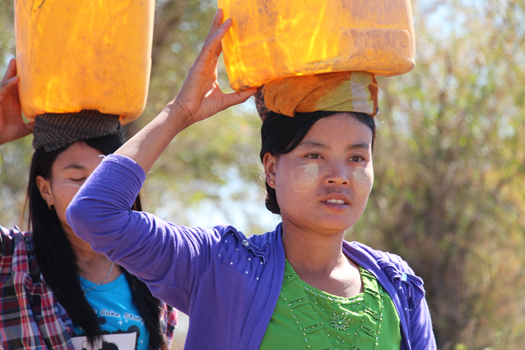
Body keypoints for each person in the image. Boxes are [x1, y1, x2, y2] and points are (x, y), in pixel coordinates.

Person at [67, 9, 437, 350]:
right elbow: (95, 212)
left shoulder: (398, 287)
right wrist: (178, 112)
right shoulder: (220, 266)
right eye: (315, 155)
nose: (339, 177)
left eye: (357, 158)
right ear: (272, 169)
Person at [0, 59, 177, 350]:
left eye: (105, 178)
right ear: (46, 190)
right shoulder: (11, 260)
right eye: (77, 178)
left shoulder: (156, 272)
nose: (94, 192)